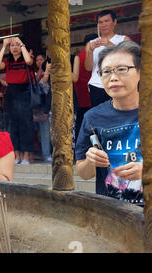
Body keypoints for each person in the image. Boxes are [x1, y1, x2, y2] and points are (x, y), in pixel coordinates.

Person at [76, 41, 143, 205]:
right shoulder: (92, 117)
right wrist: (90, 162)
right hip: (112, 215)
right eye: (106, 72)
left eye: (122, 69)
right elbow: (83, 173)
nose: (113, 77)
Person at [0, 36, 34, 165]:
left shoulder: (27, 60)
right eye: (13, 46)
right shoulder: (7, 63)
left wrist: (21, 43)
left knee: (26, 125)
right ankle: (16, 155)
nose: (15, 48)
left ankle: (26, 156)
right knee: (12, 125)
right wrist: (4, 46)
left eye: (17, 45)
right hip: (11, 94)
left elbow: (28, 61)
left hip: (24, 93)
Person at [85, 10, 131, 108]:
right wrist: (90, 51)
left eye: (107, 21)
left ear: (114, 22)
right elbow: (88, 68)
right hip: (97, 85)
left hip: (119, 84)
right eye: (100, 22)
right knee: (101, 119)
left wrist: (111, 46)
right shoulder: (91, 43)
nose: (103, 24)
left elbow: (130, 61)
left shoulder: (123, 40)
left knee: (121, 117)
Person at [33, 54, 52, 162]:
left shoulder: (48, 73)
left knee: (46, 132)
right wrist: (40, 70)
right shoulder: (36, 74)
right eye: (37, 60)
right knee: (41, 132)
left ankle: (47, 153)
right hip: (38, 108)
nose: (39, 61)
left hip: (46, 107)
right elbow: (37, 82)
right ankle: (43, 153)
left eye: (41, 60)